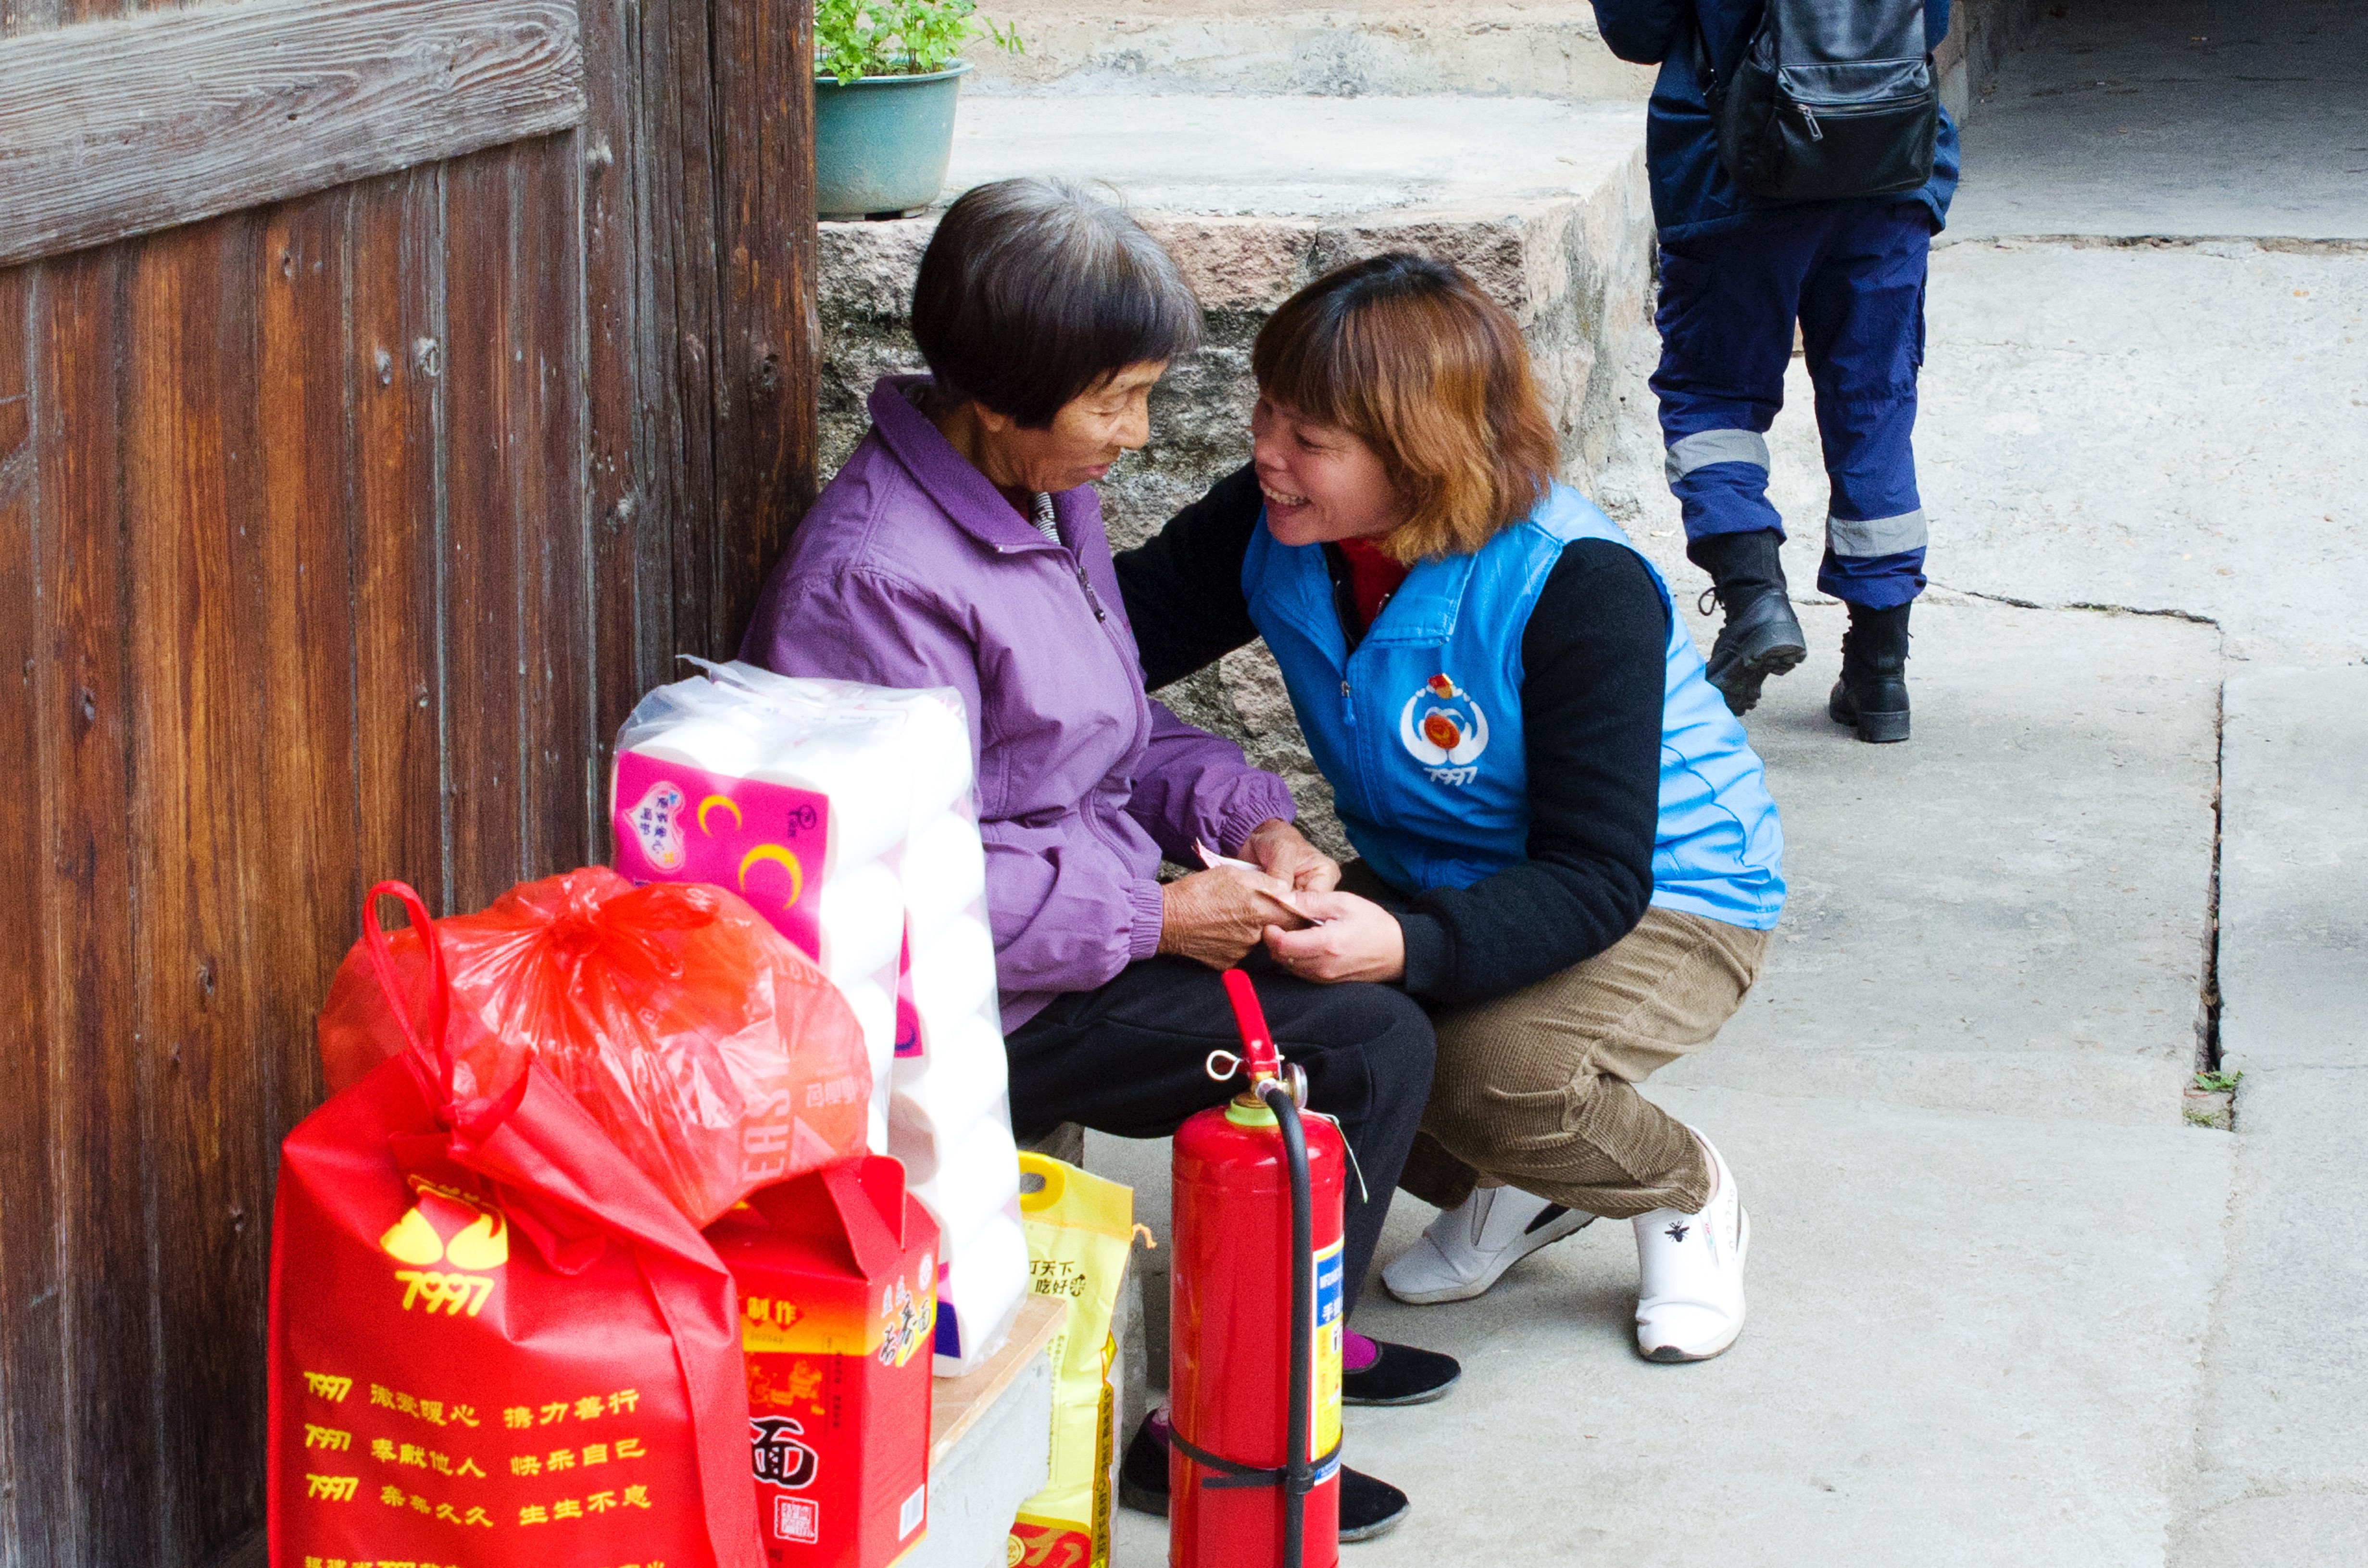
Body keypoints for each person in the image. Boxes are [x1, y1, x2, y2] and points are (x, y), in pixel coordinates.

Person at [740, 178, 1452, 1542]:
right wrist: (1158, 913)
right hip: (981, 1004)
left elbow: (1103, 728)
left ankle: (1295, 1359)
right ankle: (1220, 1428)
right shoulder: (877, 580)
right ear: (1002, 395)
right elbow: (886, 881)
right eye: (1112, 401)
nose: (1135, 434)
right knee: (1363, 1043)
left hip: (1081, 926)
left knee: (1367, 965)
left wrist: (1250, 814)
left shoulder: (1030, 495)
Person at [1115, 253, 1784, 1362]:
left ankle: (1677, 1184)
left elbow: (1598, 874)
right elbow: (1103, 644)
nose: (1266, 455)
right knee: (1277, 1026)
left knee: (1482, 1071)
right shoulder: (1270, 520)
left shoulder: (1579, 585)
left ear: (1422, 456)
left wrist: (1408, 944)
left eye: (1310, 440)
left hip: (1672, 891)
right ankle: (1530, 1185)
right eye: (1266, 414)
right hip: (1443, 866)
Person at [1589, 0, 1960, 741]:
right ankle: (1879, 667)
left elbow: (1637, 30)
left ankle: (1754, 600)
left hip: (1736, 167)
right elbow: (1933, 20)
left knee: (1712, 398)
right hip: (1887, 157)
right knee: (1874, 405)